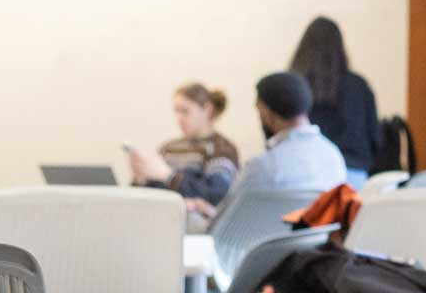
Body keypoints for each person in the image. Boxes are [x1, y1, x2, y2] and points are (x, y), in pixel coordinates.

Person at [197, 73, 346, 219]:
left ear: (268, 113)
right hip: (317, 242)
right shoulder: (334, 157)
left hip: (265, 243)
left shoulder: (263, 167)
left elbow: (225, 221)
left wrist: (203, 211)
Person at [290, 17, 378, 189]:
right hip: (355, 176)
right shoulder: (359, 86)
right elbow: (375, 137)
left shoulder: (298, 87)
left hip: (307, 175)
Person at [127, 83, 241, 213]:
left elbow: (215, 195)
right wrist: (139, 179)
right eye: (176, 111)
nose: (179, 118)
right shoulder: (168, 147)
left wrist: (168, 175)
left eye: (185, 111)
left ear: (207, 109)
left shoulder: (222, 149)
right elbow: (147, 196)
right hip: (158, 215)